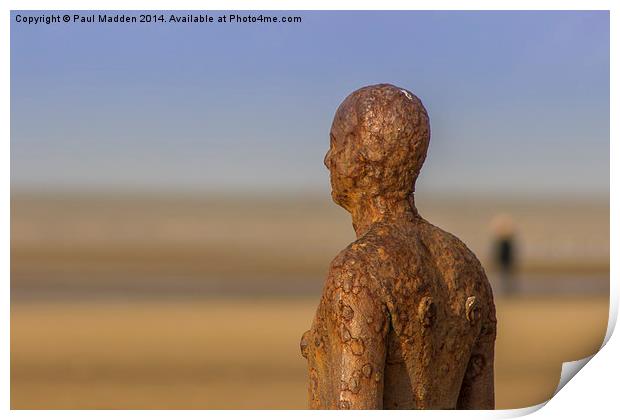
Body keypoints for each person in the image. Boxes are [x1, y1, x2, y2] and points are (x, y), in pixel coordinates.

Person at [300, 84, 496, 409]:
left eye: (336, 144)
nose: (327, 159)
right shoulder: (466, 265)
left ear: (365, 156)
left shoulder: (356, 271)